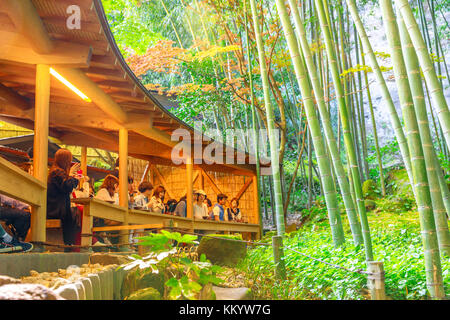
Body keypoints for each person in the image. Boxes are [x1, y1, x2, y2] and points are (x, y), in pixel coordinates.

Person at [47, 149, 81, 250]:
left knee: (77, 215)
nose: (70, 162)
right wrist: (71, 175)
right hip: (55, 209)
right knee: (76, 215)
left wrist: (73, 177)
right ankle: (70, 246)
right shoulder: (56, 172)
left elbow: (68, 186)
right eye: (69, 160)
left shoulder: (56, 171)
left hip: (57, 207)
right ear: (65, 160)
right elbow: (67, 187)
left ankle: (71, 245)